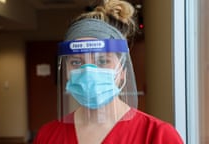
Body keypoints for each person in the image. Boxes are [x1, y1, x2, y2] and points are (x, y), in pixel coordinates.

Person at [33, 0, 184, 143]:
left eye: (103, 61)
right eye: (76, 62)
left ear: (123, 70)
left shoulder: (157, 135)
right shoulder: (48, 135)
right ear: (65, 70)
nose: (88, 72)